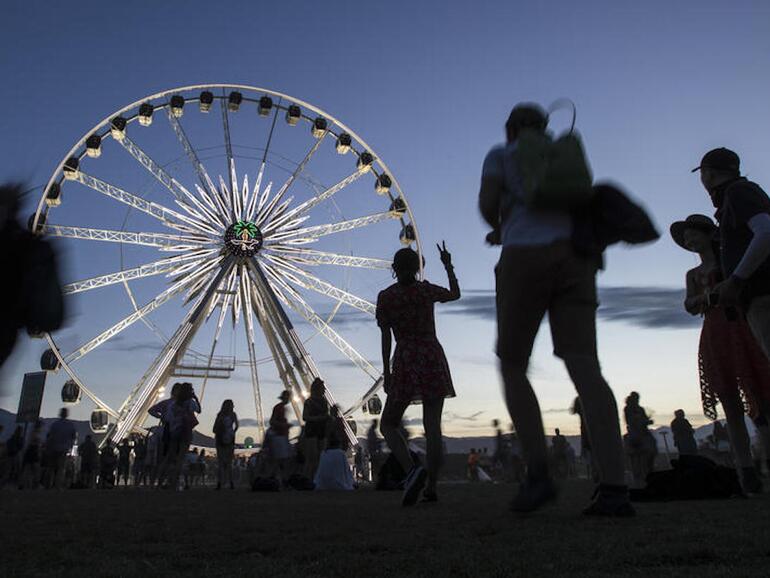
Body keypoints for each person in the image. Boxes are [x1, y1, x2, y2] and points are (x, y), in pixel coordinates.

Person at [478, 102, 634, 516]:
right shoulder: (562, 152)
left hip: (524, 256)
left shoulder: (502, 154)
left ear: (510, 128)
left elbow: (486, 205)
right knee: (585, 366)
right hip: (576, 258)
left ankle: (538, 473)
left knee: (513, 364)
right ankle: (616, 487)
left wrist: (501, 223)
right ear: (545, 127)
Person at [671, 212, 767, 492]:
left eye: (693, 234)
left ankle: (761, 462)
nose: (689, 240)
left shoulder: (731, 264)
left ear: (708, 234)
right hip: (715, 332)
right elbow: (689, 305)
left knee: (760, 396)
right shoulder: (693, 275)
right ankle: (746, 470)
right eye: (686, 237)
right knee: (730, 403)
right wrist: (707, 298)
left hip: (741, 325)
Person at [376, 243, 459, 507]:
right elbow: (454, 294)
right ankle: (431, 488)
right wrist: (448, 264)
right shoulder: (425, 291)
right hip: (432, 354)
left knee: (388, 423)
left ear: (394, 269)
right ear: (417, 267)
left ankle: (412, 469)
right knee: (432, 426)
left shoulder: (387, 296)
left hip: (406, 356)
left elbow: (385, 337)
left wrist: (387, 372)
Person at [150, 382, 201, 489]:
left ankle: (159, 482)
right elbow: (198, 410)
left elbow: (159, 414)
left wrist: (161, 417)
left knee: (168, 457)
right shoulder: (189, 402)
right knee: (180, 459)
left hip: (171, 432)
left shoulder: (171, 404)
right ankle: (174, 481)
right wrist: (195, 398)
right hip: (185, 431)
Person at [623, 392, 657, 486]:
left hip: (643, 432)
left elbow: (644, 419)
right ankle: (638, 476)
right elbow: (630, 421)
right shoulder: (628, 409)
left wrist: (647, 421)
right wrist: (641, 421)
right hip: (635, 433)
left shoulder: (640, 409)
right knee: (636, 456)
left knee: (652, 448)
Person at [302, 378, 330, 479]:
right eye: (323, 388)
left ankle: (314, 478)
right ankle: (309, 478)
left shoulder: (321, 402)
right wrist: (320, 418)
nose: (324, 390)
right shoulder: (310, 402)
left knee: (319, 457)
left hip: (319, 430)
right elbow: (305, 417)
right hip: (313, 431)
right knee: (312, 458)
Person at [45, 407, 76, 489]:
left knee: (52, 467)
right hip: (64, 449)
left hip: (54, 448)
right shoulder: (70, 425)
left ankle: (49, 484)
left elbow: (50, 436)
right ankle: (57, 485)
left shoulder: (55, 424)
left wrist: (48, 447)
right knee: (61, 468)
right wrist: (71, 447)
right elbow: (73, 437)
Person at [213, 399, 238, 490]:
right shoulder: (233, 415)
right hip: (230, 438)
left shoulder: (220, 415)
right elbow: (237, 425)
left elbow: (215, 428)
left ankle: (220, 482)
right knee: (228, 462)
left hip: (220, 438)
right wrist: (232, 432)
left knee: (221, 462)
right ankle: (230, 482)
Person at [267, 391, 292, 483]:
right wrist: (284, 425)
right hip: (279, 436)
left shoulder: (281, 407)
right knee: (282, 460)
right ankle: (280, 479)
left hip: (281, 436)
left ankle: (275, 478)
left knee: (280, 460)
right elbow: (272, 421)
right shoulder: (279, 408)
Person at [18, 420, 43, 489]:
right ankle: (35, 484)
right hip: (33, 451)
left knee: (27, 469)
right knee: (35, 469)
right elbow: (35, 442)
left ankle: (23, 483)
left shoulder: (32, 432)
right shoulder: (35, 433)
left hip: (29, 451)